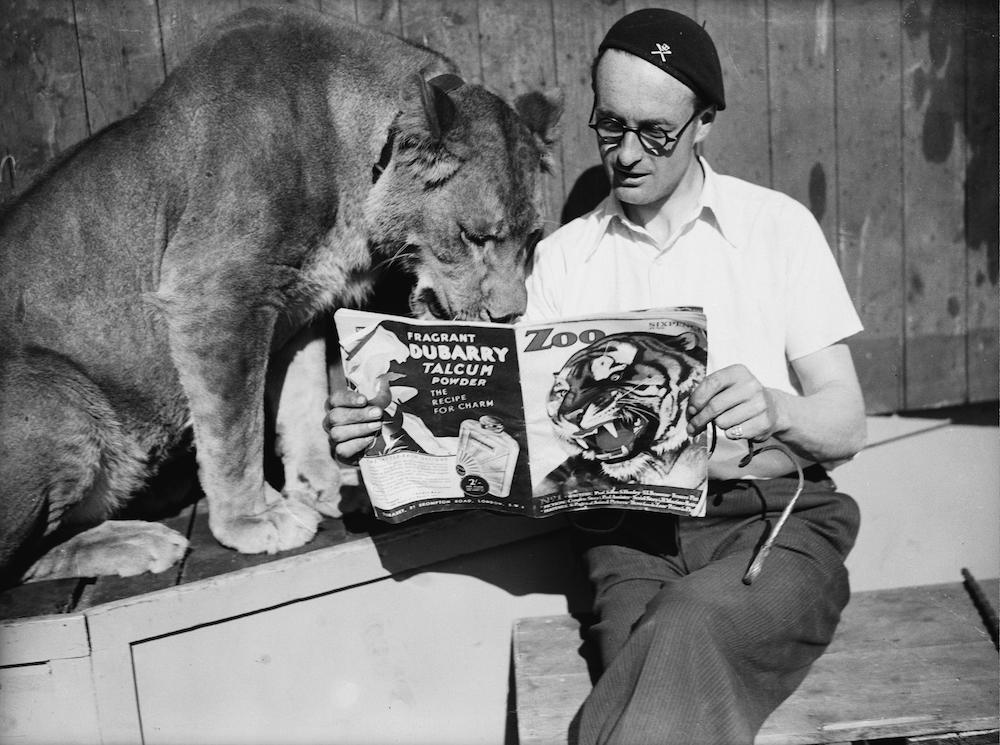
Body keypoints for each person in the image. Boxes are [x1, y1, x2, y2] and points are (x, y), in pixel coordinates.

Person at [325, 8, 866, 744]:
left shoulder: (777, 228)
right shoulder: (563, 258)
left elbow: (847, 423)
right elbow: (507, 436)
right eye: (610, 127)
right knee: (654, 685)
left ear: (704, 122)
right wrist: (384, 428)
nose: (629, 155)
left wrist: (775, 405)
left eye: (656, 132)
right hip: (628, 542)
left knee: (685, 628)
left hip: (772, 522)